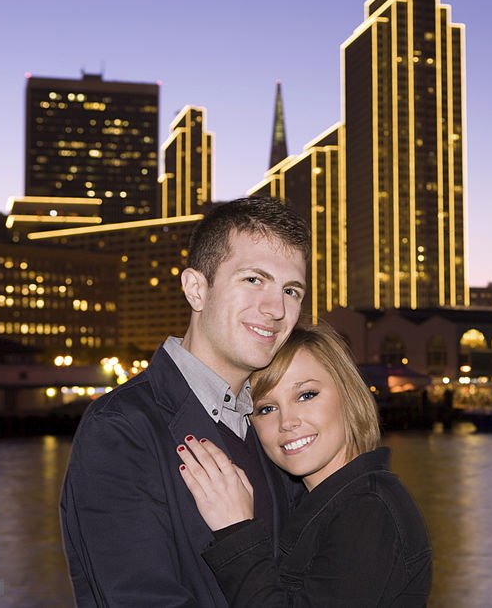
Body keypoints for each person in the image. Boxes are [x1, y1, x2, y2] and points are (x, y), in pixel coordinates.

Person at [60, 197, 310, 607]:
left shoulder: (269, 424)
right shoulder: (121, 428)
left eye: (291, 290)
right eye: (253, 280)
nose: (277, 309)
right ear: (196, 288)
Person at [176, 325, 432, 607]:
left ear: (348, 396)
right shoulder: (326, 503)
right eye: (266, 408)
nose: (287, 422)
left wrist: (235, 531)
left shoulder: (368, 509)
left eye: (306, 395)